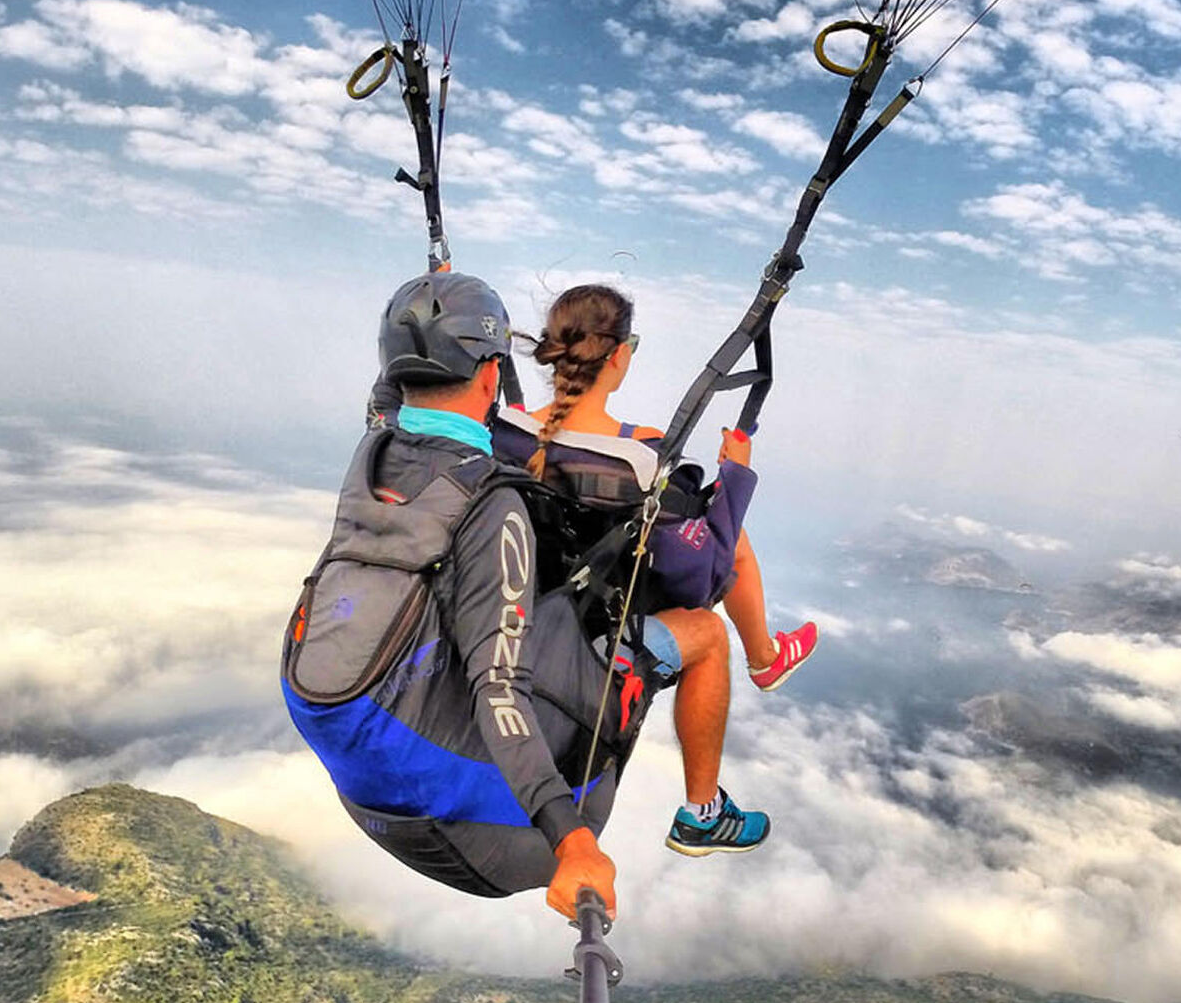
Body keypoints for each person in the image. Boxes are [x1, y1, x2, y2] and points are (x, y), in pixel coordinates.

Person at [282, 272, 770, 924]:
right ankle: (702, 812)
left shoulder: (377, 444)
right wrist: (570, 842)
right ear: (491, 375)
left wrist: (430, 304)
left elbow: (388, 395)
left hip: (368, 775)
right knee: (703, 633)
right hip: (484, 825)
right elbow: (500, 688)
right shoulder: (494, 504)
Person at [523, 283, 819, 704]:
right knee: (731, 544)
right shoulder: (639, 458)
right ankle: (764, 657)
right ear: (619, 355)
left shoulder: (507, 430)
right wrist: (736, 474)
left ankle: (765, 657)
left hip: (522, 603)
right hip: (598, 628)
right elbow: (703, 575)